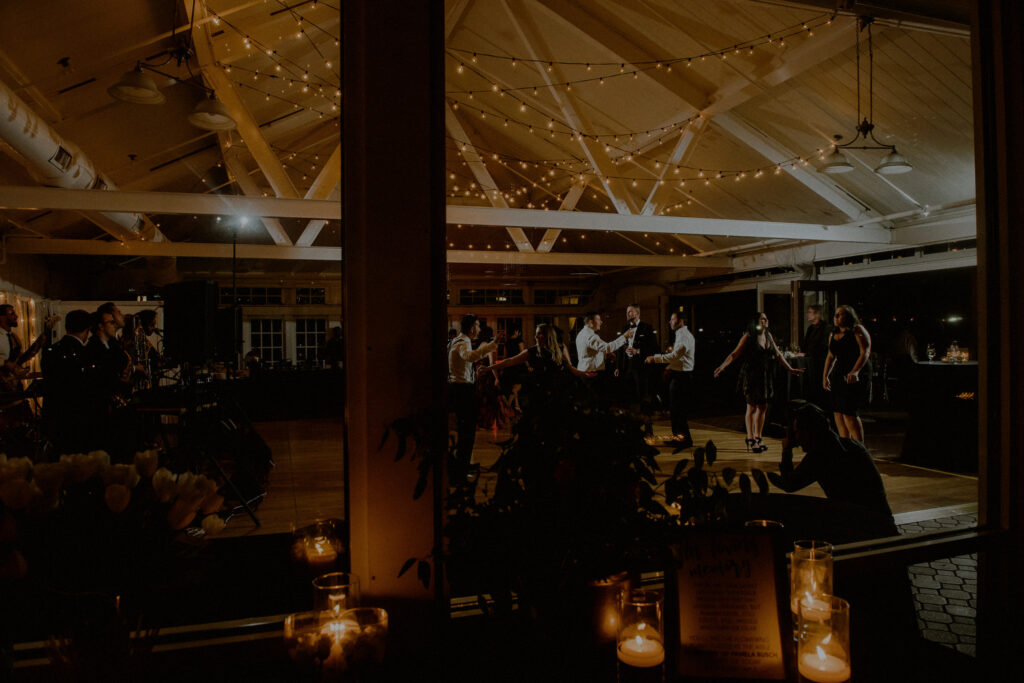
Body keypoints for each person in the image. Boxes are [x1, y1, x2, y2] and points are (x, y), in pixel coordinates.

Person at [768, 402, 892, 517]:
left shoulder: (820, 455)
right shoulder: (854, 446)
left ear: (807, 432)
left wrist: (787, 450)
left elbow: (789, 484)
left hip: (861, 524)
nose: (796, 437)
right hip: (882, 519)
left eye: (796, 432)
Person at [714, 312, 803, 453]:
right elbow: (735, 353)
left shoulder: (768, 335)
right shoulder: (749, 336)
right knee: (752, 407)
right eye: (762, 319)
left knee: (763, 407)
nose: (765, 321)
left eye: (766, 319)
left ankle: (758, 436)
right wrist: (722, 366)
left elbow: (778, 355)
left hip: (765, 375)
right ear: (756, 321)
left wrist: (790, 368)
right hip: (752, 375)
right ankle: (750, 438)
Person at [448, 315, 503, 478]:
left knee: (465, 429)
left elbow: (461, 365)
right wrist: (493, 345)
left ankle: (463, 464)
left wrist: (473, 373)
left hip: (458, 388)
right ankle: (462, 468)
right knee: (467, 430)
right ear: (472, 328)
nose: (479, 329)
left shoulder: (456, 341)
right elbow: (470, 357)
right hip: (463, 391)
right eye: (478, 326)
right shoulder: (463, 342)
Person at [42, 309, 93, 454]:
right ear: (88, 330)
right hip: (76, 416)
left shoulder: (51, 350)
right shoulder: (84, 354)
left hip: (53, 414)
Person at [823, 304, 872, 442]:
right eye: (835, 314)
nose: (836, 317)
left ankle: (859, 447)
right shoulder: (833, 333)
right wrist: (825, 375)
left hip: (855, 372)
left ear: (849, 316)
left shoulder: (857, 330)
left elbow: (865, 352)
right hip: (839, 372)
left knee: (848, 411)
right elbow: (830, 356)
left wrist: (855, 371)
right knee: (838, 411)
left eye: (840, 314)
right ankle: (845, 445)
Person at [645, 310, 695, 448]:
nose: (669, 322)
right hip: (681, 375)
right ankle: (682, 438)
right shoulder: (682, 334)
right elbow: (679, 357)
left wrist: (654, 358)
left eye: (672, 319)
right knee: (677, 410)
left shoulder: (683, 336)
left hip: (681, 377)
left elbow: (674, 356)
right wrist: (668, 368)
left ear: (680, 321)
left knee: (677, 409)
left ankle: (682, 439)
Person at [617, 304, 659, 434]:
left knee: (644, 398)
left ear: (637, 313)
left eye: (630, 312)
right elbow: (620, 348)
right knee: (630, 398)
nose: (627, 314)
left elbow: (654, 349)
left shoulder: (647, 328)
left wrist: (638, 351)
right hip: (627, 367)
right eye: (627, 312)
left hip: (641, 369)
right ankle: (632, 427)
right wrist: (618, 366)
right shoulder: (625, 328)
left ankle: (648, 427)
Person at [575, 312, 633, 398]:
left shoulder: (582, 333)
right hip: (592, 374)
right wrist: (624, 337)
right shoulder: (590, 336)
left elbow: (591, 351)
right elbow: (607, 347)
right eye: (599, 320)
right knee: (597, 400)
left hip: (586, 372)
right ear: (591, 323)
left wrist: (607, 354)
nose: (601, 322)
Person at [801, 304, 832, 410]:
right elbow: (805, 345)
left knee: (820, 391)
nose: (807, 314)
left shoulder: (827, 328)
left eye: (810, 312)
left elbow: (823, 346)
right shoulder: (810, 328)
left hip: (821, 364)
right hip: (811, 364)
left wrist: (807, 353)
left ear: (817, 314)